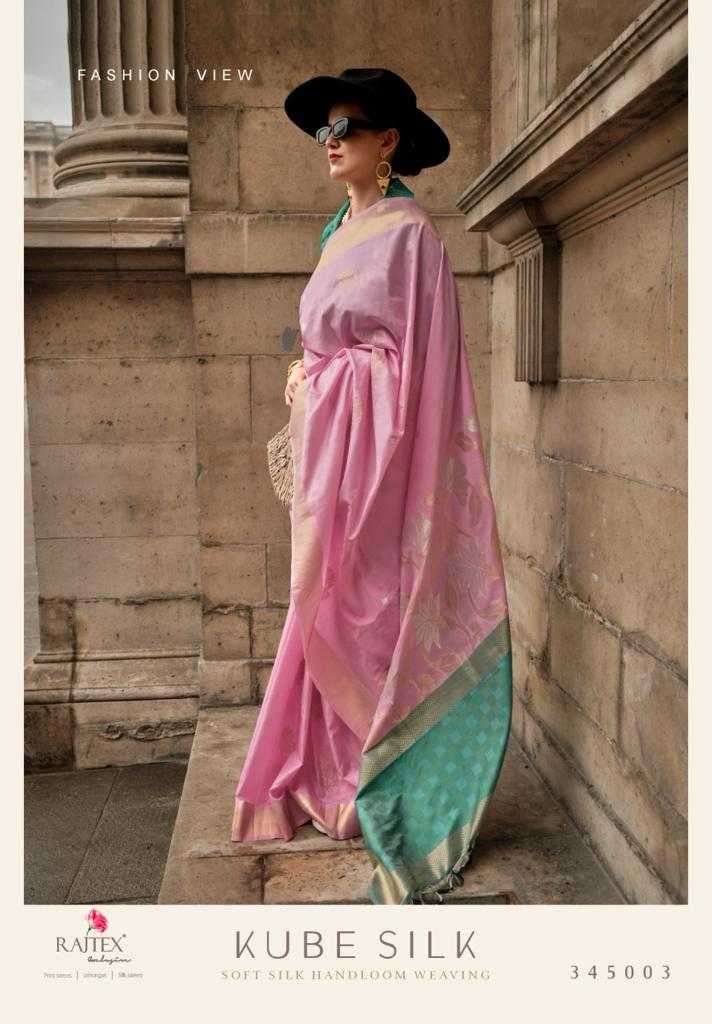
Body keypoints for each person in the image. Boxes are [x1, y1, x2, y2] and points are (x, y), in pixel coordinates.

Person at [231, 68, 513, 905]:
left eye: (345, 127)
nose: (330, 142)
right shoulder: (338, 231)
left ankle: (375, 774)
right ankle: (326, 771)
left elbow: (416, 370)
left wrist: (329, 383)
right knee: (319, 599)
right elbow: (330, 340)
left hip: (379, 463)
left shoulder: (411, 236)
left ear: (388, 140)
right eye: (323, 130)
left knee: (366, 607)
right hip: (332, 454)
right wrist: (305, 371)